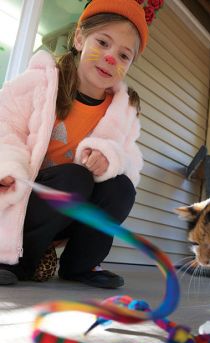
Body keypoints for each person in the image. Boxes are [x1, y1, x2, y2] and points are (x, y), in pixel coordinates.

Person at [0, 0, 150, 288]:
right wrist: (8, 166)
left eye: (123, 55)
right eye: (103, 42)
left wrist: (111, 159)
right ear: (80, 38)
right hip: (20, 207)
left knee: (120, 186)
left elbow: (131, 161)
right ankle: (15, 260)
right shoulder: (37, 85)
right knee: (75, 176)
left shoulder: (121, 111)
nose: (110, 58)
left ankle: (81, 264)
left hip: (66, 214)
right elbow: (5, 127)